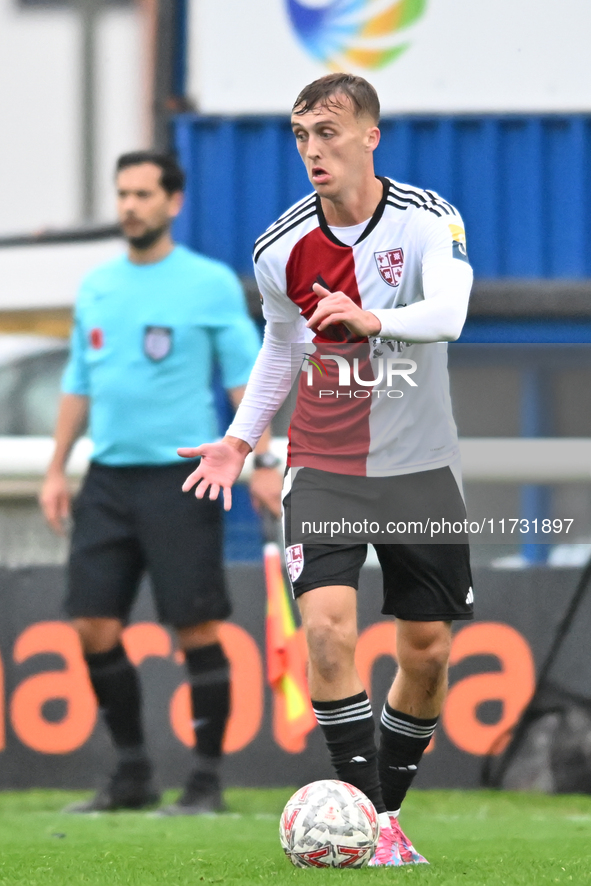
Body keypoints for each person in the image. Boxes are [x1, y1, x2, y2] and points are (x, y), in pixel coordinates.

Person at [180, 74, 474, 864]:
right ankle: (373, 821)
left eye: (329, 132)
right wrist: (241, 440)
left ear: (370, 137)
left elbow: (449, 313)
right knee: (326, 629)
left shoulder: (426, 220)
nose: (313, 148)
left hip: (419, 467)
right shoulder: (279, 245)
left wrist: (370, 317)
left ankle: (385, 809)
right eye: (301, 134)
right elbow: (280, 348)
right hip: (325, 461)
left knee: (427, 651)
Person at [40, 150, 281, 815]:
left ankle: (205, 781)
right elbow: (77, 382)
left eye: (144, 194)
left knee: (194, 628)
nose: (130, 206)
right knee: (90, 624)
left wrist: (259, 461)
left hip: (183, 479)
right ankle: (132, 774)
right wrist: (58, 468)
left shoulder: (206, 285)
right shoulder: (97, 285)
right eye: (122, 194)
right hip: (108, 479)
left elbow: (246, 382)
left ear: (173, 203)